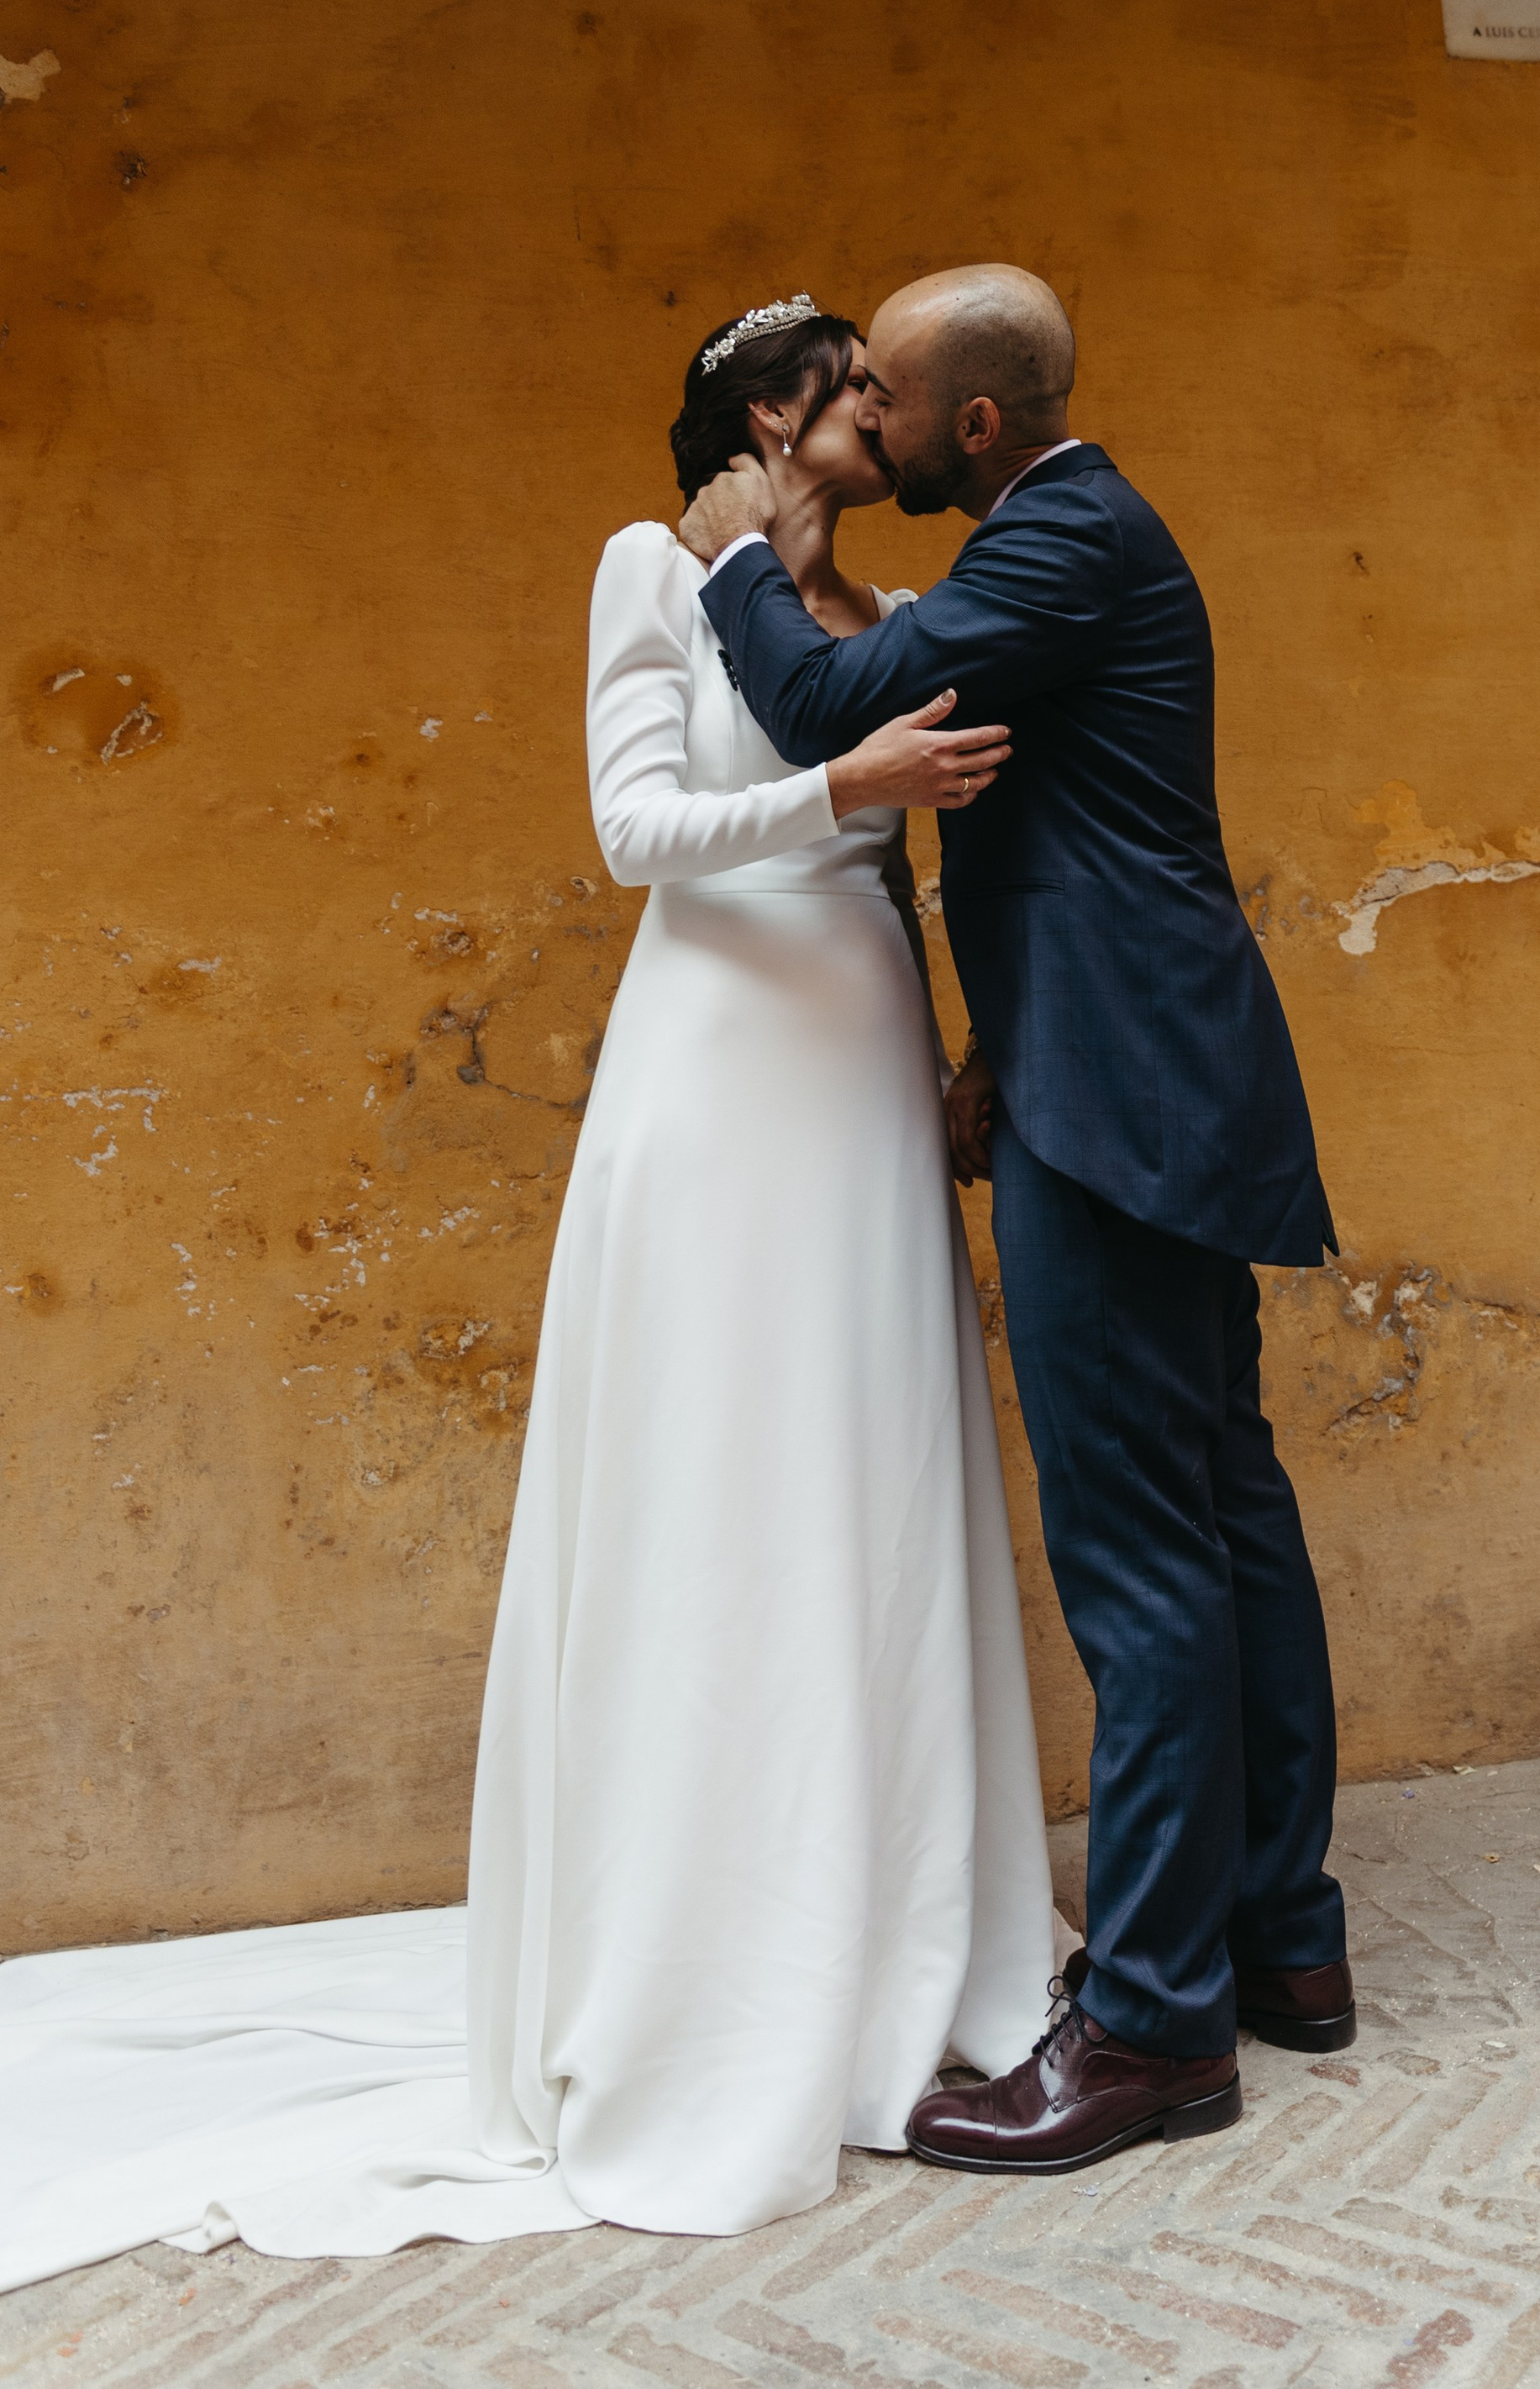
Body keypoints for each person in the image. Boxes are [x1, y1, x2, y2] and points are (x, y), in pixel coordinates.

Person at [0, 297, 1064, 2290]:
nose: (879, 414)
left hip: (858, 1055)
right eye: (850, 387)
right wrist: (844, 798)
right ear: (768, 415)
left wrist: (949, 1041)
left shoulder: (885, 607)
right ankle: (699, 1969)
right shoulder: (646, 573)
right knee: (718, 1486)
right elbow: (633, 831)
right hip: (718, 1067)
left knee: (874, 1466)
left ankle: (899, 1939)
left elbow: (938, 858)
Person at [685, 263, 1353, 2180]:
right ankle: (1279, 1948)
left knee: (1143, 1559)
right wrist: (999, 1041)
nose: (866, 427)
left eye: (883, 401)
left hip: (1121, 1105)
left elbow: (823, 700)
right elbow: (1062, 824)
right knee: (1222, 1513)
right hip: (1126, 1068)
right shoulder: (1063, 534)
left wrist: (747, 555)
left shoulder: (1058, 540)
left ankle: (1148, 2026)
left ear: (969, 426)